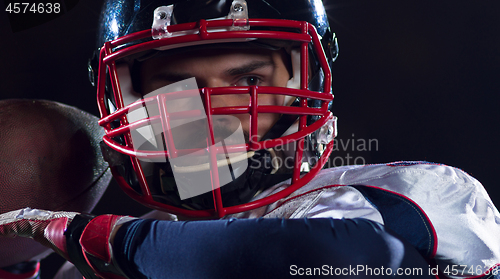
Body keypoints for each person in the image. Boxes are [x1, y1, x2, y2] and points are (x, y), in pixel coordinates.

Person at [0, 0, 499, 278]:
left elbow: (332, 259)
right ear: (133, 105)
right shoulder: (127, 251)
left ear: (305, 82)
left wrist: (85, 236)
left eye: (249, 82)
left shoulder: (413, 199)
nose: (219, 115)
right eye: (182, 88)